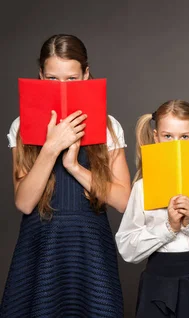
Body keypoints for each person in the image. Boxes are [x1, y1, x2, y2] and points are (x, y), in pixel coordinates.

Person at [1, 34, 130, 317]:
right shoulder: (21, 125)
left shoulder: (109, 126)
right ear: (40, 76)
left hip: (90, 246)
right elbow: (23, 203)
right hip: (41, 246)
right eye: (52, 79)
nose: (62, 88)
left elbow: (123, 201)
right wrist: (51, 148)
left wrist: (74, 166)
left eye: (71, 79)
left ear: (86, 74)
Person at [116, 100, 189, 317]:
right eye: (168, 136)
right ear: (156, 136)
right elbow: (127, 249)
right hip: (157, 285)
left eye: (184, 137)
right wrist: (168, 227)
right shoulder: (143, 187)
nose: (175, 144)